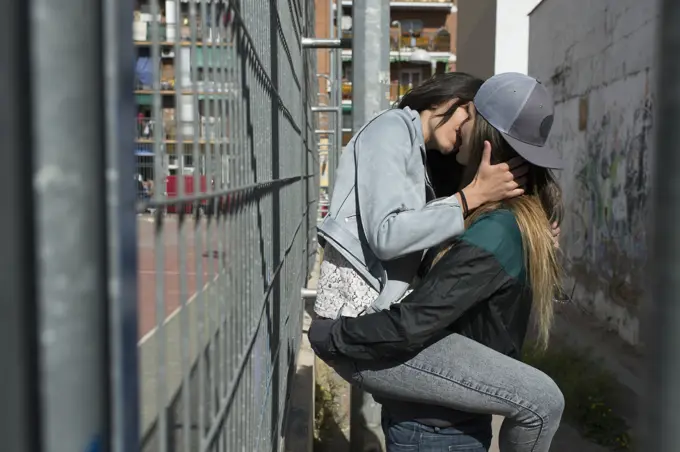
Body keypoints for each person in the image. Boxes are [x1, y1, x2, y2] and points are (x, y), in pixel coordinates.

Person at [310, 72, 566, 452]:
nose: (462, 135)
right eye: (467, 119)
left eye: (473, 124)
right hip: (369, 332)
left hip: (418, 383)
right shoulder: (395, 130)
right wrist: (471, 196)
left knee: (541, 401)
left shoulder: (499, 221)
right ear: (455, 104)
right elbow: (391, 240)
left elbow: (426, 252)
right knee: (541, 401)